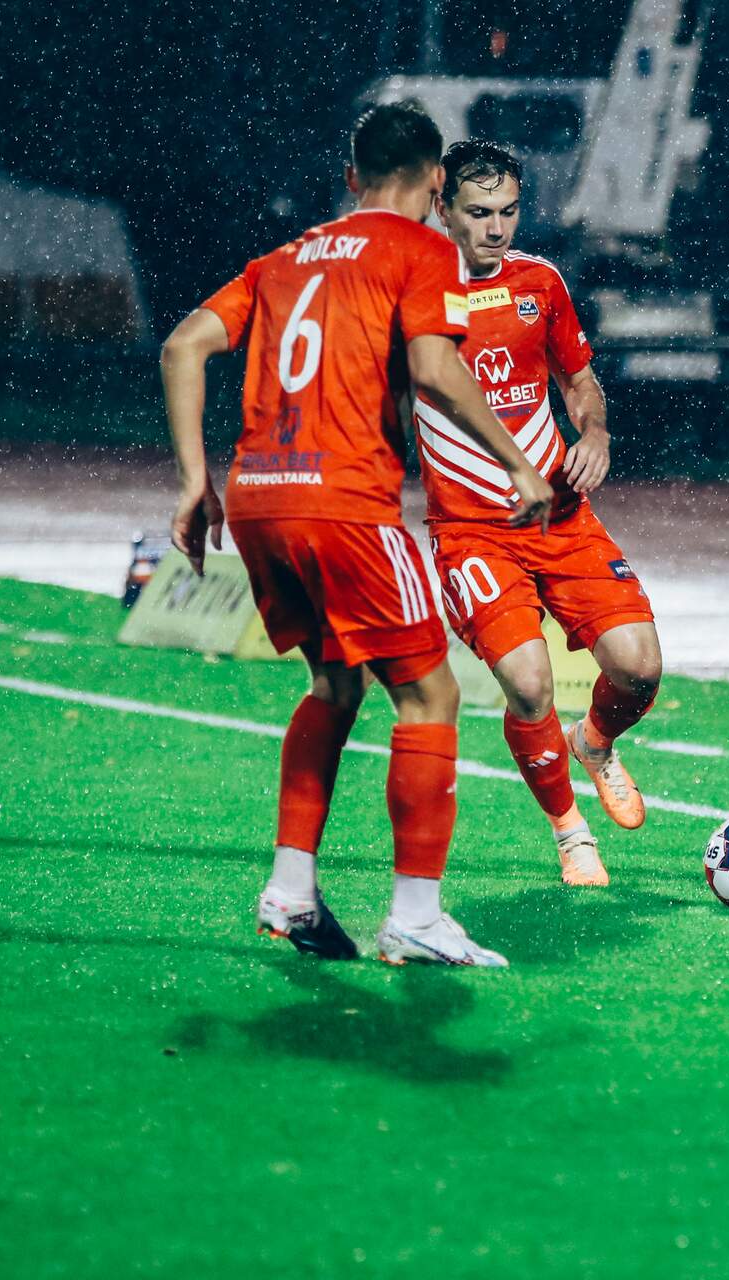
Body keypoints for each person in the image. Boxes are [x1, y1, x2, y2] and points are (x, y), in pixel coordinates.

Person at [158, 102, 553, 966]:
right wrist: (518, 462)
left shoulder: (284, 258)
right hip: (343, 503)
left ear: (351, 177)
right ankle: (415, 916)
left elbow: (183, 345)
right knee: (430, 698)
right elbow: (435, 366)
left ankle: (290, 890)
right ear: (438, 183)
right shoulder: (421, 249)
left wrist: (194, 482)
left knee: (335, 686)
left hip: (259, 499)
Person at [419, 140, 662, 889]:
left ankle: (595, 741)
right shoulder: (413, 294)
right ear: (442, 208)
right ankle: (570, 832)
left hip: (560, 516)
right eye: (478, 212)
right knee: (528, 685)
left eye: (508, 211)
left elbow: (580, 382)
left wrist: (596, 432)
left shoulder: (539, 283)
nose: (496, 228)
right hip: (472, 533)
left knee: (639, 668)